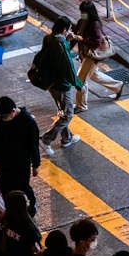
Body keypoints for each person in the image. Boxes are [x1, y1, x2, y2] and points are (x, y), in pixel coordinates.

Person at [38, 17, 82, 154]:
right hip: (61, 85)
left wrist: (69, 40)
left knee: (63, 111)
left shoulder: (49, 39)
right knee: (67, 114)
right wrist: (78, 84)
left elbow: (61, 52)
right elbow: (68, 67)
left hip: (51, 82)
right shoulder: (60, 44)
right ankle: (46, 139)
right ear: (64, 30)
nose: (70, 31)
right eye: (68, 29)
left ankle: (67, 138)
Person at [0, 96, 40, 206]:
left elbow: (34, 144)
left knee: (22, 187)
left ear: (13, 111)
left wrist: (36, 165)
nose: (3, 118)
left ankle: (30, 207)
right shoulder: (1, 119)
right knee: (5, 187)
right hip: (5, 162)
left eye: (5, 116)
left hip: (21, 163)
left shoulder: (28, 121)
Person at [74, 0, 123, 111]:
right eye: (81, 11)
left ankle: (81, 105)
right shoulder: (81, 22)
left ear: (90, 13)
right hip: (85, 54)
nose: (82, 14)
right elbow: (76, 35)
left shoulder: (95, 25)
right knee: (94, 75)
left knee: (80, 79)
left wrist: (83, 39)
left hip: (92, 55)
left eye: (84, 12)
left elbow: (97, 42)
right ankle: (118, 86)